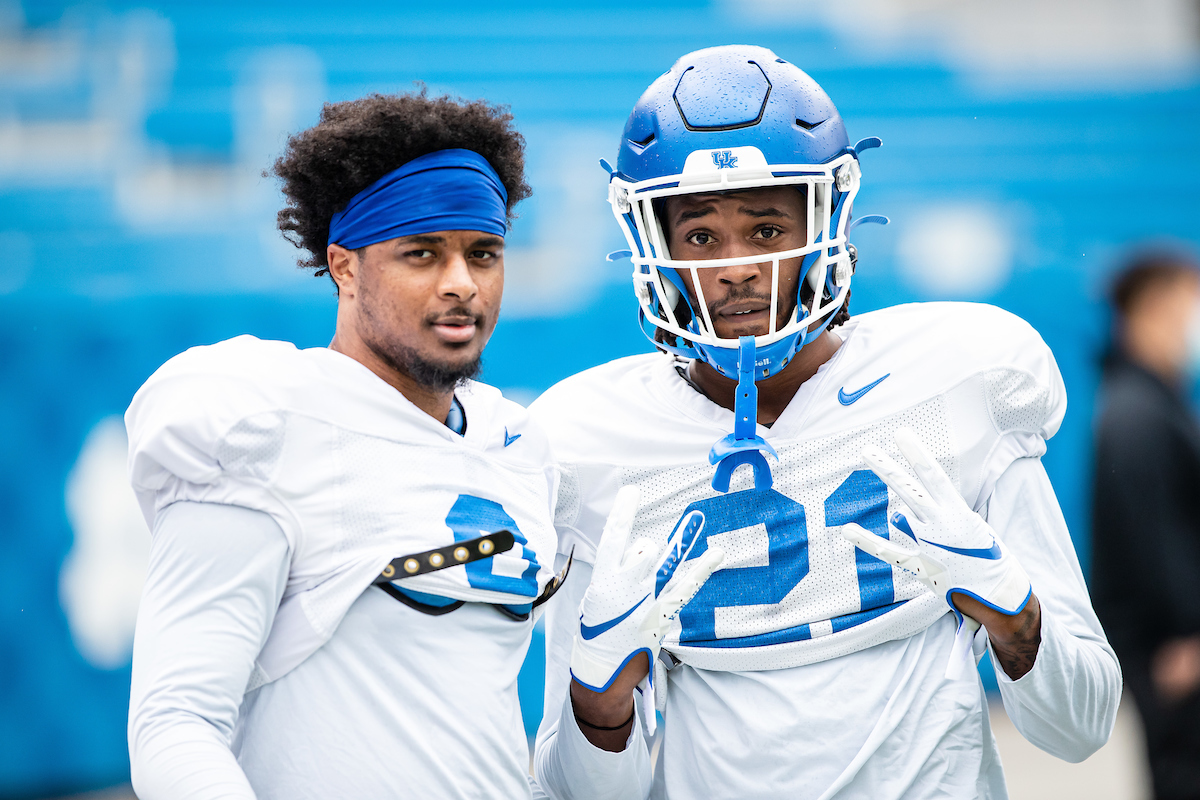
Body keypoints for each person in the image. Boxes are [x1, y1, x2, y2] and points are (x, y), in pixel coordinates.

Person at [531, 45, 1121, 799]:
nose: (736, 267)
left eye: (767, 230)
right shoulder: (588, 444)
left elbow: (1081, 727)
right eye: (701, 236)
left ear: (828, 221)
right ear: (656, 246)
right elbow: (574, 792)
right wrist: (599, 704)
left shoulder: (956, 382)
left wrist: (1017, 619)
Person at [125, 91, 560, 799]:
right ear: (345, 266)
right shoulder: (269, 425)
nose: (462, 285)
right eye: (422, 254)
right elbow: (176, 723)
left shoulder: (519, 444)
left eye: (483, 254)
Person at [1092, 251, 1200, 800]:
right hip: (1175, 656)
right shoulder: (1136, 415)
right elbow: (1154, 540)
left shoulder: (1154, 402)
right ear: (1156, 308)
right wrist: (1186, 634)